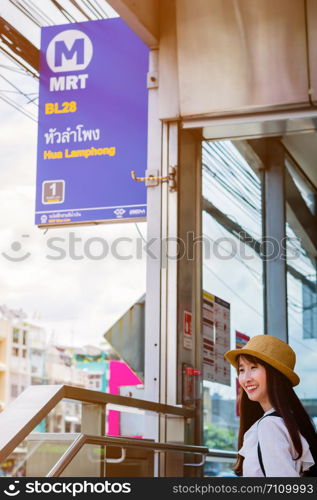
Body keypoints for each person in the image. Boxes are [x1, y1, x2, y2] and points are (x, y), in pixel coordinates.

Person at [224, 334, 317, 477]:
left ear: (275, 374)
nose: (246, 378)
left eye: (253, 367)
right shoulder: (291, 420)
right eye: (241, 370)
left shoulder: (270, 426)